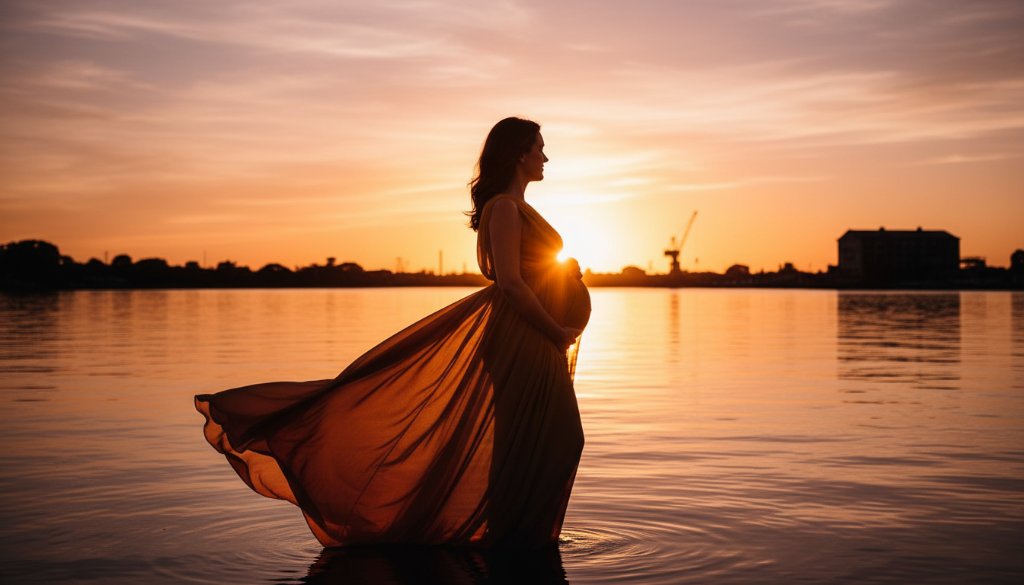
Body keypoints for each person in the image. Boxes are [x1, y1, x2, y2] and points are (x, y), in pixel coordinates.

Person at [195, 116, 590, 548]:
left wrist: (562, 275)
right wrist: (554, 330)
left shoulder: (516, 207)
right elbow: (509, 282)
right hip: (524, 340)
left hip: (532, 337)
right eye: (539, 147)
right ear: (519, 153)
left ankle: (514, 536)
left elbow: (527, 273)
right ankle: (508, 536)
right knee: (561, 437)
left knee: (535, 439)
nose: (545, 156)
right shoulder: (505, 207)